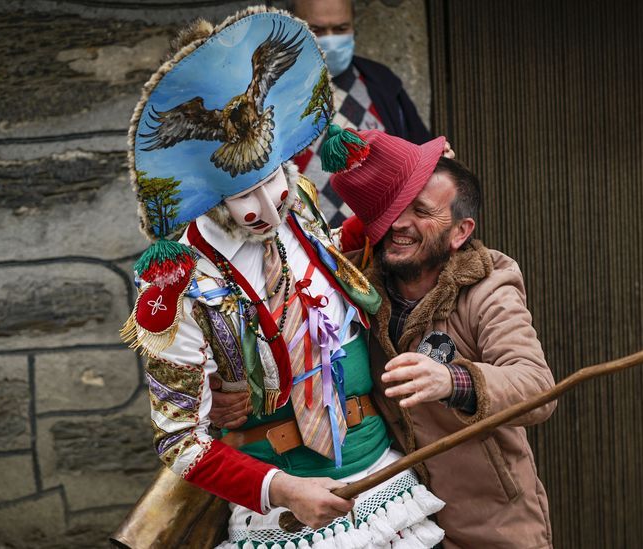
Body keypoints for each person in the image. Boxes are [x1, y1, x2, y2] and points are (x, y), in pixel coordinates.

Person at [122, 10, 444, 548]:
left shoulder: (304, 203)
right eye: (246, 195)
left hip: (382, 477)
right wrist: (282, 489)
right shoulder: (176, 282)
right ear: (208, 191)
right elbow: (181, 440)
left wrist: (401, 203)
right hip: (286, 511)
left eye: (273, 179)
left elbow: (337, 264)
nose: (271, 206)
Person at [329, 131, 558, 548]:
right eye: (397, 207)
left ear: (459, 232)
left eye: (422, 211)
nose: (400, 223)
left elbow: (538, 387)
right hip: (401, 524)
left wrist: (452, 381)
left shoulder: (490, 288)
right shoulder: (356, 285)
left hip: (492, 526)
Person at [288, 0, 432, 225]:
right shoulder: (273, 96)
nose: (330, 39)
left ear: (354, 26)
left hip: (382, 248)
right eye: (316, 30)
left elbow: (425, 162)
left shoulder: (382, 84)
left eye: (340, 29)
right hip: (305, 251)